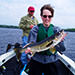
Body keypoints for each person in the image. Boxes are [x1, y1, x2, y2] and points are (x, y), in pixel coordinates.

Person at [26, 4, 66, 75]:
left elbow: (62, 49)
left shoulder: (57, 30)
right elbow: (31, 44)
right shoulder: (35, 29)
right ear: (41, 16)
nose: (47, 18)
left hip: (52, 61)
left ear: (52, 17)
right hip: (37, 60)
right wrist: (29, 51)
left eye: (49, 16)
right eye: (44, 16)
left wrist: (60, 42)